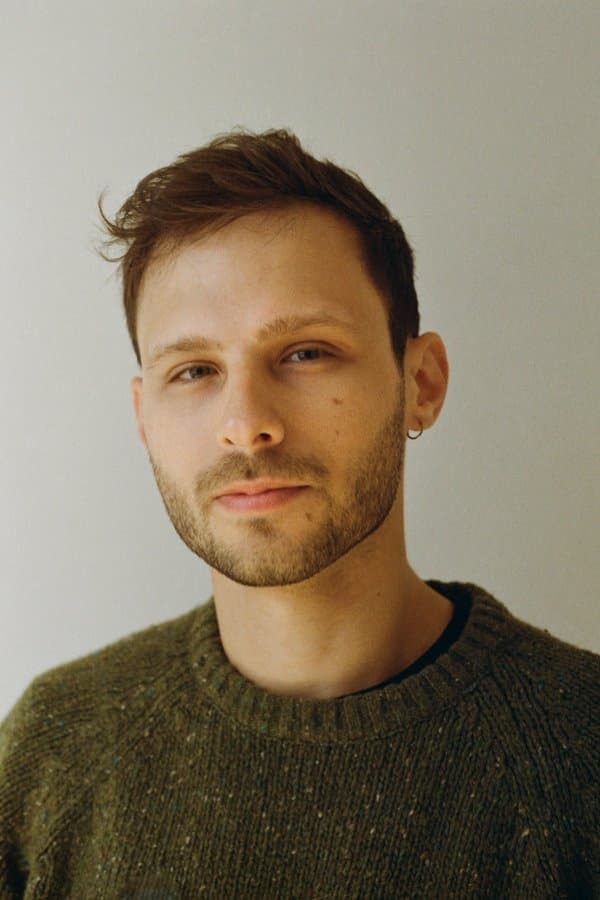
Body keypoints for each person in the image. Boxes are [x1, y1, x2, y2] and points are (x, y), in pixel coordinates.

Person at [1, 128, 597, 898]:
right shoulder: (54, 757)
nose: (246, 423)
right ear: (144, 418)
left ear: (421, 384)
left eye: (306, 353)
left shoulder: (579, 755)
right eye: (195, 371)